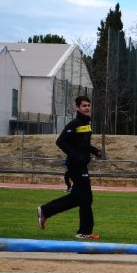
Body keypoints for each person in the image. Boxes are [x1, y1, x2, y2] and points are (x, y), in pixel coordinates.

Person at [36, 95, 102, 240]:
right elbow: (60, 141)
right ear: (77, 108)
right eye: (84, 106)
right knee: (86, 199)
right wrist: (75, 155)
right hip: (76, 166)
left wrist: (94, 150)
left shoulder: (86, 124)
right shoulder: (74, 123)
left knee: (77, 198)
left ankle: (45, 211)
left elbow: (82, 144)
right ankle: (84, 232)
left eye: (88, 105)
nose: (87, 108)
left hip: (82, 164)